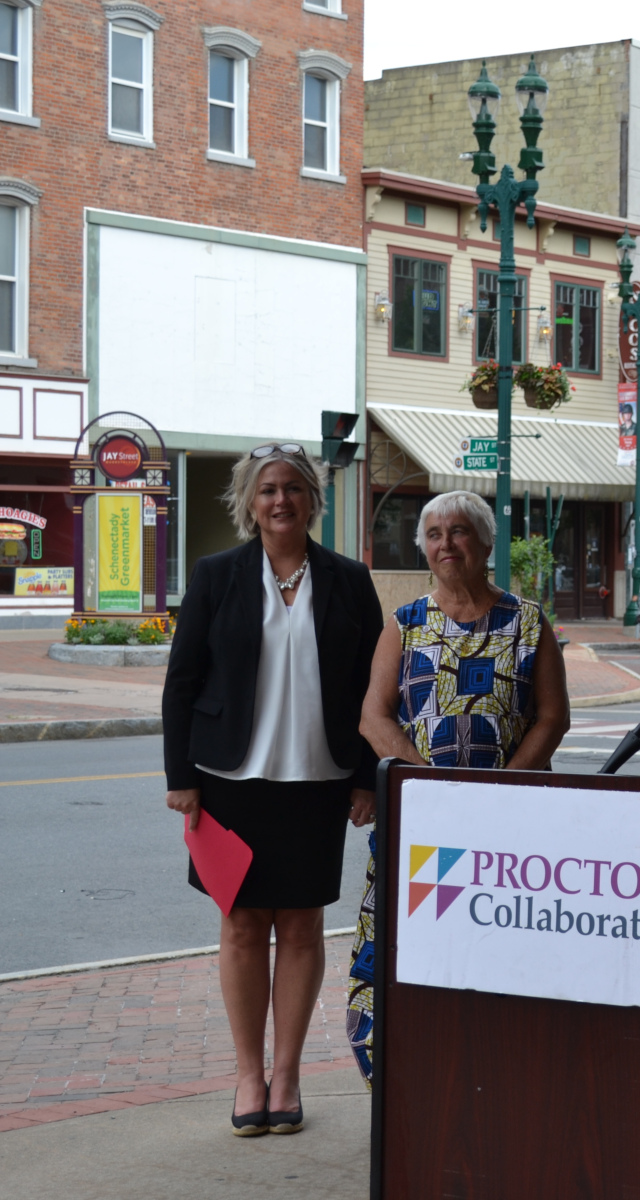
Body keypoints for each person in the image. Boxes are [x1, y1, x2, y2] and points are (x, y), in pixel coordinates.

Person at [162, 444, 384, 1137]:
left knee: (301, 926)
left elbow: (374, 689)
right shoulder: (216, 576)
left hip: (318, 782)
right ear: (248, 502)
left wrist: (366, 776)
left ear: (313, 498)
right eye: (267, 490)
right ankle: (247, 1074)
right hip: (229, 782)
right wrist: (181, 778)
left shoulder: (349, 581)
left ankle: (286, 1076)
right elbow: (182, 682)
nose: (280, 500)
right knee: (239, 926)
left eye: (293, 488)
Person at [348, 490, 571, 1085]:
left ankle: (505, 1069)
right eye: (435, 534)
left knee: (506, 943)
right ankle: (411, 1075)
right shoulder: (405, 623)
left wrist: (500, 789)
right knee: (417, 943)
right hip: (425, 823)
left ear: (486, 543)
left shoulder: (527, 621)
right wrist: (430, 786)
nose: (447, 544)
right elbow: (374, 717)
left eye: (461, 531)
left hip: (513, 822)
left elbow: (553, 716)